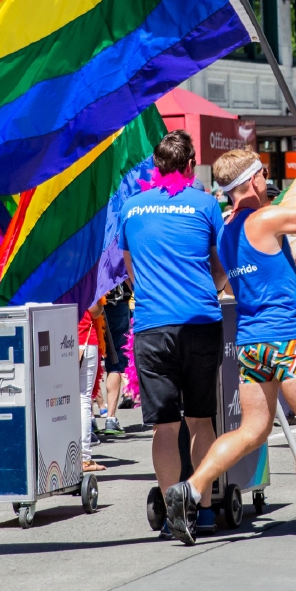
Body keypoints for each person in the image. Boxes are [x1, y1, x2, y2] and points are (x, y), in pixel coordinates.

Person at [164, 134, 296, 547]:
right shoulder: (264, 218)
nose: (268, 180)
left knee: (253, 429)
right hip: (286, 337)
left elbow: (287, 255)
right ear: (251, 182)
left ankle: (191, 490)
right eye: (264, 174)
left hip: (252, 342)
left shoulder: (229, 229)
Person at [118, 130, 228, 538]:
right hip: (200, 320)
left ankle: (171, 514)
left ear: (156, 166)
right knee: (201, 419)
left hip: (152, 325)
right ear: (189, 165)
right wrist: (210, 288)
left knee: (164, 426)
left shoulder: (131, 208)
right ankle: (201, 508)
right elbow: (221, 264)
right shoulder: (206, 204)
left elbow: (130, 271)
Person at [77, 298, 106, 473]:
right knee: (82, 398)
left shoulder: (45, 270)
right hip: (83, 337)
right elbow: (95, 309)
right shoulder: (84, 272)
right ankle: (84, 458)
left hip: (53, 335)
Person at [102, 280, 133, 437]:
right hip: (117, 302)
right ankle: (110, 418)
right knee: (115, 361)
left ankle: (89, 421)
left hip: (94, 303)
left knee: (90, 361)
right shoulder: (118, 254)